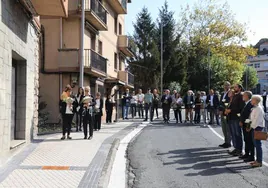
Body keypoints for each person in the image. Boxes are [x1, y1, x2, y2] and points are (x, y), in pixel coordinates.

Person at [225, 84, 245, 156]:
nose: (234, 88)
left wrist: (231, 110)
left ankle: (240, 150)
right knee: (234, 134)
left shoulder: (241, 95)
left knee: (238, 134)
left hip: (236, 118)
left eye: (236, 87)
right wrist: (228, 110)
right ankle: (236, 148)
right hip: (231, 117)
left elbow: (240, 108)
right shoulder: (235, 96)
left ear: (240, 88)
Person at [249, 95, 265, 167]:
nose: (251, 101)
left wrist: (251, 127)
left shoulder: (258, 108)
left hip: (257, 127)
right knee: (255, 144)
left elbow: (256, 120)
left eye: (252, 99)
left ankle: (259, 161)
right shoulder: (255, 108)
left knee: (258, 145)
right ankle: (257, 160)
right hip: (254, 127)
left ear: (255, 101)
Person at [239, 91, 254, 162]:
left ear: (247, 96)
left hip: (248, 125)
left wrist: (248, 126)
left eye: (244, 95)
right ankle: (247, 153)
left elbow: (249, 116)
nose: (242, 96)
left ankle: (251, 156)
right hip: (244, 124)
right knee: (246, 139)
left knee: (249, 140)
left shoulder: (250, 104)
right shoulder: (246, 103)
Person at [219, 82, 231, 148]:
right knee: (223, 128)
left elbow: (230, 103)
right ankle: (226, 141)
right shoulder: (222, 93)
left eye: (227, 85)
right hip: (222, 112)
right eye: (225, 85)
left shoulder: (230, 93)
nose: (226, 86)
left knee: (227, 128)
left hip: (227, 113)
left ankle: (228, 142)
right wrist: (220, 110)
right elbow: (220, 102)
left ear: (230, 86)